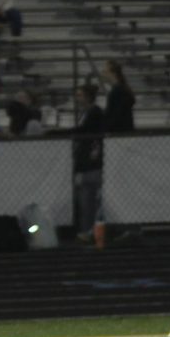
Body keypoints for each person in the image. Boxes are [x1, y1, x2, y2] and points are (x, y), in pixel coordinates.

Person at [70, 83, 104, 238]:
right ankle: (87, 229)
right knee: (86, 200)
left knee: (90, 199)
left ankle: (91, 230)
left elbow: (85, 131)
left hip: (91, 162)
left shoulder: (94, 112)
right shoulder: (86, 113)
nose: (77, 98)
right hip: (86, 162)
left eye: (80, 95)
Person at [102, 59, 135, 132]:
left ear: (113, 74)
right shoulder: (120, 89)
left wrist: (103, 128)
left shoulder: (117, 91)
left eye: (105, 72)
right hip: (123, 132)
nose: (103, 74)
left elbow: (115, 116)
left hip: (119, 133)